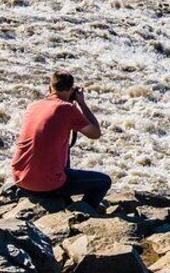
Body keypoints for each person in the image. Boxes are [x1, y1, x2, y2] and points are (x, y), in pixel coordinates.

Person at [11, 71, 110, 209]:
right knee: (104, 181)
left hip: (20, 180)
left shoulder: (33, 106)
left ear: (50, 87)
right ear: (70, 89)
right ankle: (84, 210)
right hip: (46, 186)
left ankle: (64, 199)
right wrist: (81, 103)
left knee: (60, 147)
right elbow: (95, 133)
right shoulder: (67, 108)